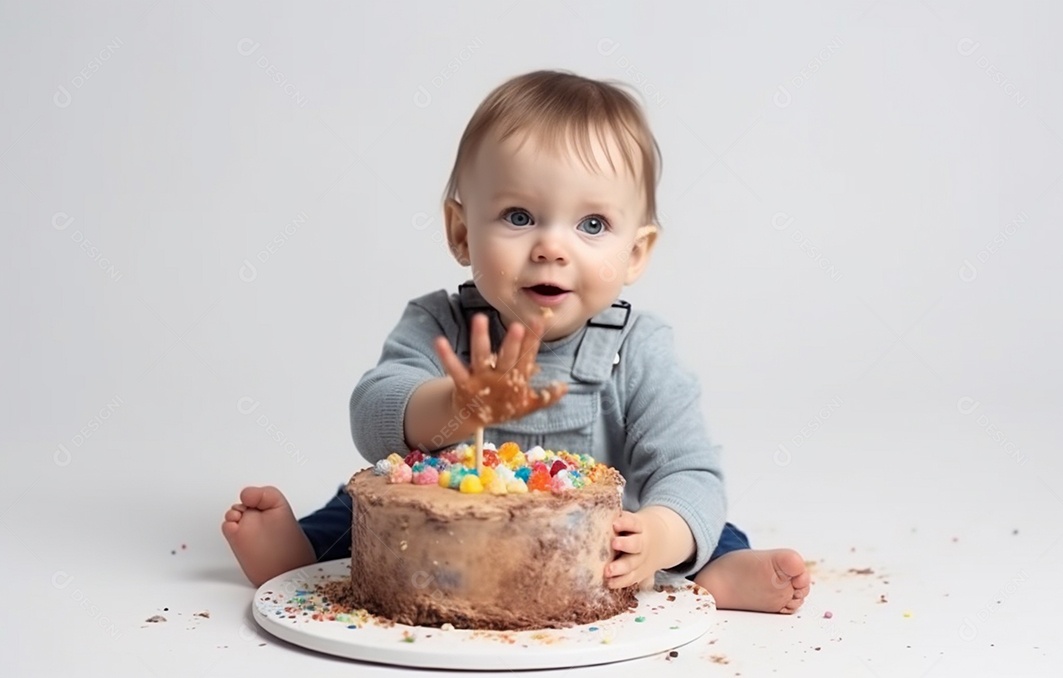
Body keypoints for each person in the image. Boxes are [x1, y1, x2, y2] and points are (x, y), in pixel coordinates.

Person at [222, 70, 810, 613]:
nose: (552, 247)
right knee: (362, 513)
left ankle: (722, 573)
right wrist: (456, 406)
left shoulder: (638, 349)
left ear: (636, 253)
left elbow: (688, 468)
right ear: (461, 232)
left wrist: (658, 534)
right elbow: (373, 411)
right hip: (440, 527)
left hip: (592, 543)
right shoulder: (441, 323)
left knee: (702, 523)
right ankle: (297, 558)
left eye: (592, 225)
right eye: (520, 216)